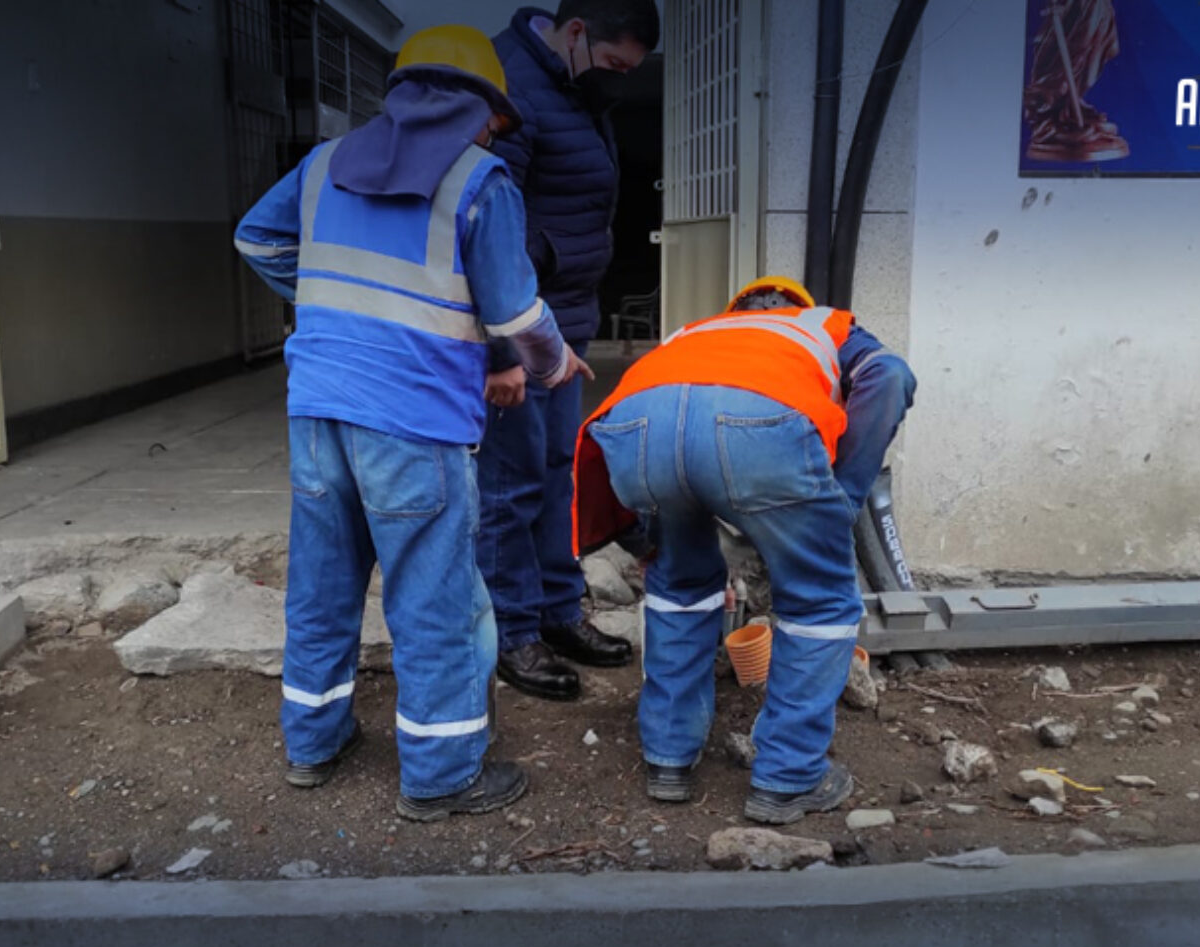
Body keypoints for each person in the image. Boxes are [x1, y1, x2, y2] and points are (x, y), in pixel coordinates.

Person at [234, 26, 588, 822]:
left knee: (322, 588)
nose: (495, 133)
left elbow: (254, 238)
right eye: (497, 119)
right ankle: (441, 773)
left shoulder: (323, 164)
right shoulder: (480, 180)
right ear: (485, 107)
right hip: (414, 421)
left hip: (318, 409)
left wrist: (328, 305)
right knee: (435, 598)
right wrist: (554, 364)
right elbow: (515, 311)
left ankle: (312, 745)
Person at [573, 277, 917, 824]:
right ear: (798, 306)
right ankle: (788, 777)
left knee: (680, 586)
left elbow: (679, 422)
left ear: (738, 310)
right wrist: (841, 498)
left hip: (636, 428)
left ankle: (668, 758)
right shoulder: (825, 325)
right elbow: (889, 376)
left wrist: (650, 539)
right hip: (757, 431)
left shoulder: (697, 332)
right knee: (819, 603)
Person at [478, 1, 660, 703]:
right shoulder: (514, 84)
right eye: (616, 65)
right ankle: (513, 630)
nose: (618, 80)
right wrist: (502, 346)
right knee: (510, 482)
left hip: (566, 319)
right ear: (577, 31)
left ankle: (559, 611)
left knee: (556, 471)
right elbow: (493, 225)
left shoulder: (574, 87)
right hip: (520, 324)